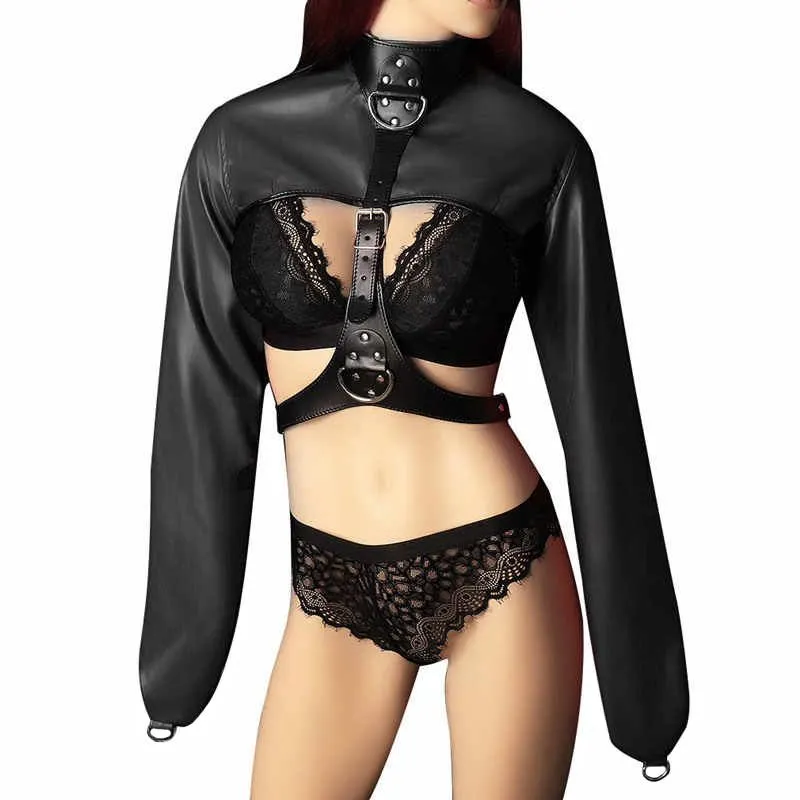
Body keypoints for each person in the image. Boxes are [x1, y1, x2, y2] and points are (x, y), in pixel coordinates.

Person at [138, 0, 690, 796]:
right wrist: (177, 661)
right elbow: (201, 408)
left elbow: (600, 419)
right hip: (330, 586)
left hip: (501, 562)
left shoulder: (540, 146)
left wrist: (645, 702)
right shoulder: (238, 140)